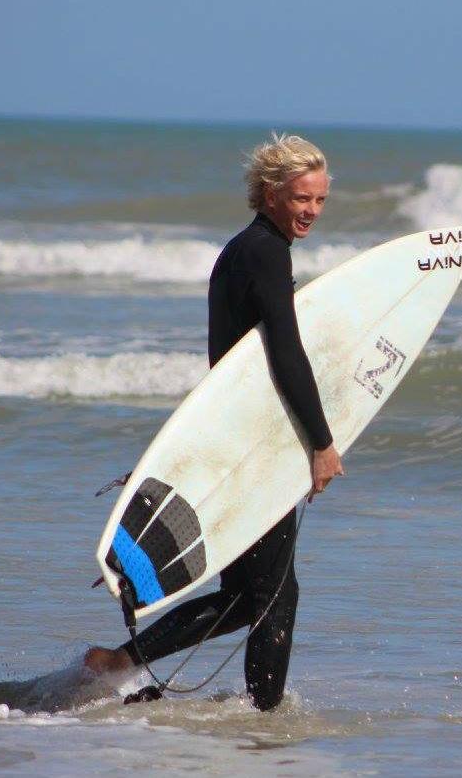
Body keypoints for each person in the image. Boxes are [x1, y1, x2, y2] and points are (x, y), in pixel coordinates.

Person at [84, 134, 344, 711]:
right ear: (271, 192)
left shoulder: (244, 249)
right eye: (303, 198)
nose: (312, 212)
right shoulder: (266, 253)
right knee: (272, 595)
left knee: (252, 594)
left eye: (321, 201)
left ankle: (121, 661)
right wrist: (321, 444)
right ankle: (262, 719)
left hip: (241, 435)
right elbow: (286, 352)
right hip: (256, 440)